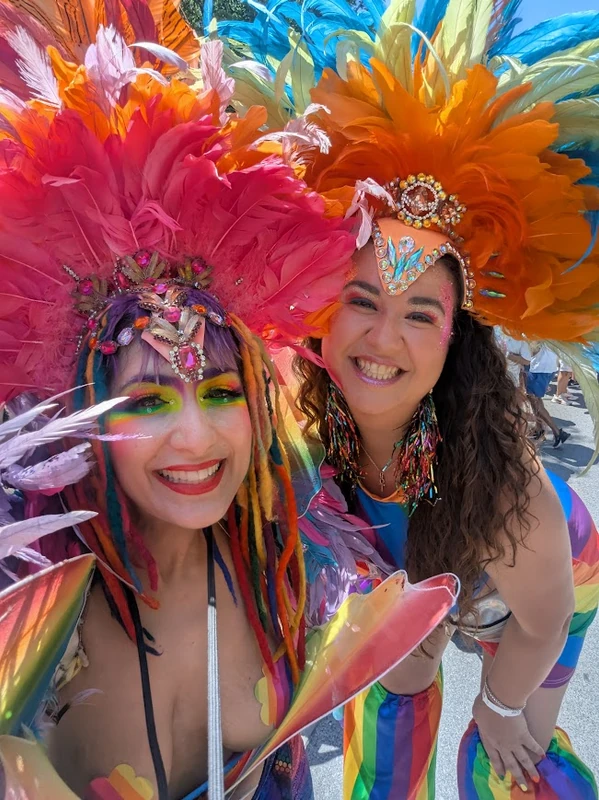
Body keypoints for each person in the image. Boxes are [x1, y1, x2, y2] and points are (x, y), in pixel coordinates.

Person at [0, 8, 460, 798]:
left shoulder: (294, 554)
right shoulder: (28, 594)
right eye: (144, 401)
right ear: (81, 414)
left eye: (220, 391)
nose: (195, 435)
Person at [219, 0, 599, 796]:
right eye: (361, 300)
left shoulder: (506, 484)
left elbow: (542, 621)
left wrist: (498, 704)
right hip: (408, 575)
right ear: (324, 308)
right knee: (391, 722)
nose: (382, 338)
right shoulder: (293, 415)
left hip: (535, 592)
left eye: (420, 313)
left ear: (454, 342)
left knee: (509, 760)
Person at [526, 345, 570, 447]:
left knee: (535, 402)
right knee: (536, 401)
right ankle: (539, 429)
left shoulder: (536, 331)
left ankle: (557, 432)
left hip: (538, 369)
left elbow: (533, 349)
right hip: (548, 368)